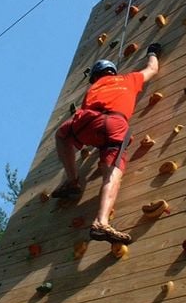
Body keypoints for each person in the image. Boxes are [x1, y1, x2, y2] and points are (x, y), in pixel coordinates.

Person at [52, 44, 161, 244]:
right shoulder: (128, 79)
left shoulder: (93, 86)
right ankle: (101, 221)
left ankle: (73, 180)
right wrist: (153, 52)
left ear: (95, 76)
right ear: (113, 72)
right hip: (115, 124)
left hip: (88, 120)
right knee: (111, 175)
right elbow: (152, 69)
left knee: (62, 136)